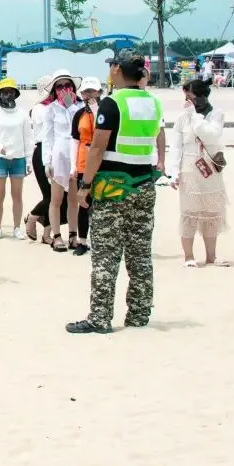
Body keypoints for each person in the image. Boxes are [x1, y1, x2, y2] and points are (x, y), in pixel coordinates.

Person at [67, 50, 164, 334]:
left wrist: (85, 185)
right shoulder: (153, 103)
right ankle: (139, 314)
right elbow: (158, 136)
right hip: (144, 183)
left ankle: (99, 318)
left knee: (106, 256)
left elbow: (97, 148)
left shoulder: (112, 103)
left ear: (118, 70)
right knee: (140, 254)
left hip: (113, 187)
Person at [167, 78, 228, 267]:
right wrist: (174, 172)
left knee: (211, 212)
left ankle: (211, 256)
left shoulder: (216, 114)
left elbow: (210, 134)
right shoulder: (182, 117)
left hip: (210, 169)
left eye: (190, 97)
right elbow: (176, 147)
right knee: (189, 213)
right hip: (189, 169)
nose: (188, 101)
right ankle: (189, 256)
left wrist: (194, 116)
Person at [0, 77, 33, 240]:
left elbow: (28, 138)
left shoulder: (22, 114)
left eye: (11, 91)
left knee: (17, 195)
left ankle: (17, 228)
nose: (8, 94)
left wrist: (29, 161)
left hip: (18, 159)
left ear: (15, 94)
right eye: (4, 92)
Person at [42, 69, 82, 252]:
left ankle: (73, 235)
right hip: (58, 155)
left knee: (73, 199)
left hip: (75, 154)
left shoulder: (80, 107)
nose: (64, 89)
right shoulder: (51, 109)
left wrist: (71, 106)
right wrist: (47, 161)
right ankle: (56, 236)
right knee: (56, 199)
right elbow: (47, 137)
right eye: (59, 86)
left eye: (67, 85)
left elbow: (79, 128)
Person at [68, 77, 103, 256]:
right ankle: (82, 241)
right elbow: (74, 140)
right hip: (83, 163)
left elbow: (102, 130)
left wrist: (96, 110)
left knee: (102, 203)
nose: (88, 95)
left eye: (91, 91)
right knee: (84, 202)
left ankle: (101, 241)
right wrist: (73, 165)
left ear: (99, 92)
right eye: (85, 92)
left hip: (102, 163)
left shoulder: (105, 111)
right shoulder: (79, 114)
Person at [25, 75, 58, 243]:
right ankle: (31, 217)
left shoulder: (56, 106)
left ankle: (47, 234)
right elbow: (49, 128)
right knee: (50, 195)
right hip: (42, 151)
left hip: (56, 150)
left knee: (55, 197)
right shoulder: (39, 108)